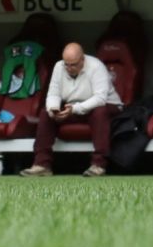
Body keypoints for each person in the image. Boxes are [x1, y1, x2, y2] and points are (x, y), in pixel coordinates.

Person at [19, 42, 123, 177]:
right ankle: (41, 164)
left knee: (99, 111)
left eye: (73, 65)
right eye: (66, 64)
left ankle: (99, 165)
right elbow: (53, 94)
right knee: (46, 113)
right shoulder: (59, 66)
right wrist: (54, 110)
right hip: (73, 107)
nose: (69, 68)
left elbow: (100, 98)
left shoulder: (96, 66)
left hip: (106, 106)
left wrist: (74, 109)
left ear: (82, 59)